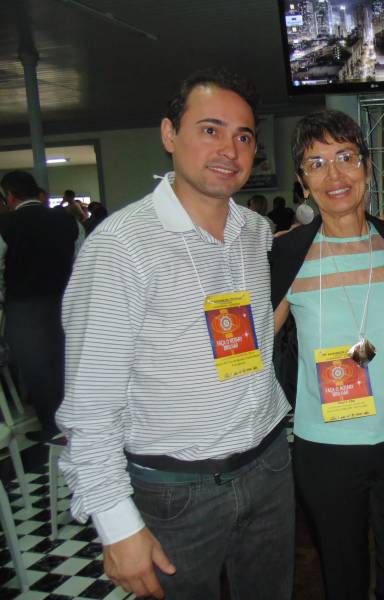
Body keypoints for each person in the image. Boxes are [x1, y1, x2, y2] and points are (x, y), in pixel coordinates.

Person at [56, 67, 294, 600]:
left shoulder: (255, 233)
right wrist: (117, 524)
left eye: (243, 136)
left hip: (269, 467)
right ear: (169, 134)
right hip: (176, 493)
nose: (229, 150)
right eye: (210, 130)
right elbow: (90, 406)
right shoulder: (120, 247)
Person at [270, 109, 384, 599]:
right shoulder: (287, 255)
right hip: (325, 449)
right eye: (316, 164)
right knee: (342, 576)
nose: (335, 175)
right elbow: (255, 341)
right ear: (303, 183)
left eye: (345, 157)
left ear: (367, 166)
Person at [0, 171, 81, 441]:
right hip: (64, 301)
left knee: (36, 368)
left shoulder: (6, 224)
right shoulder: (67, 221)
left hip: (25, 307)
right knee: (66, 362)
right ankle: (77, 422)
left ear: (10, 195)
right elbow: (82, 260)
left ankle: (52, 427)